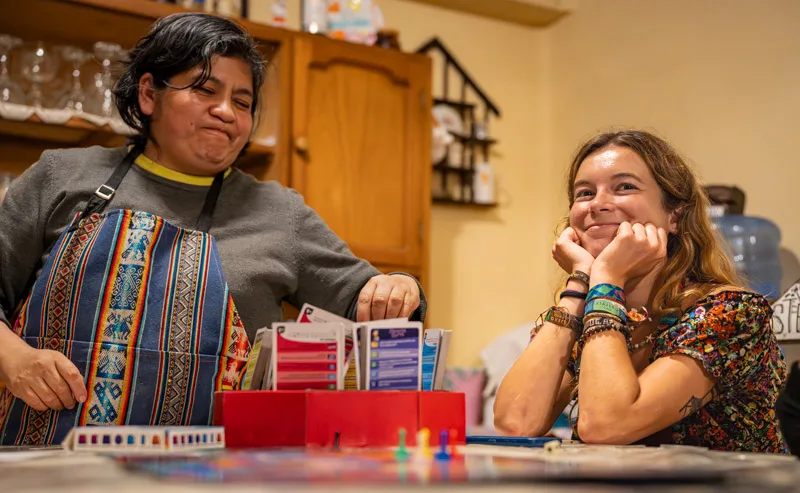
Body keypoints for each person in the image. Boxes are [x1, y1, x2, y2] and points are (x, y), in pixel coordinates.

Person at [0, 13, 425, 445]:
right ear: (149, 93)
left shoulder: (280, 213)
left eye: (242, 102)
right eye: (205, 90)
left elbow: (370, 297)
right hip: (46, 466)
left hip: (215, 474)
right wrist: (12, 358)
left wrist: (399, 287)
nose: (226, 112)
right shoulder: (60, 176)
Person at [493, 130, 786, 453]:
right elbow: (514, 424)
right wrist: (578, 283)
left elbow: (606, 426)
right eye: (585, 192)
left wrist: (606, 277)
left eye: (625, 187)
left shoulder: (732, 312)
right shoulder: (590, 310)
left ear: (675, 215)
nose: (598, 204)